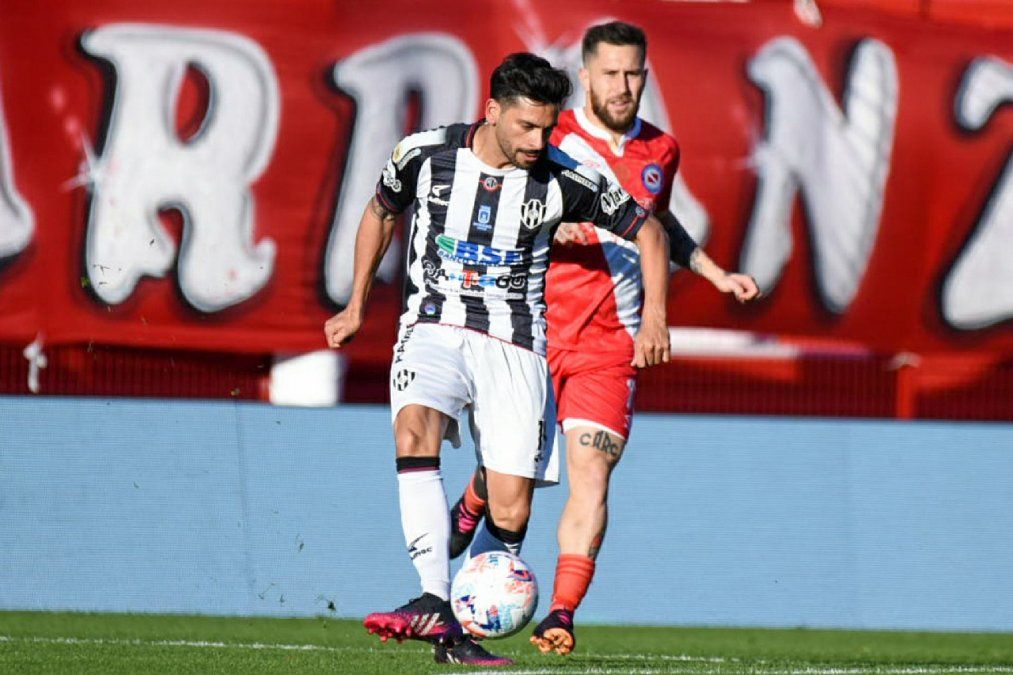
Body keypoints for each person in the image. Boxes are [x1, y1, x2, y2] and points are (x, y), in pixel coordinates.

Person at [324, 51, 676, 667]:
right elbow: (381, 211)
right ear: (492, 111)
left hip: (515, 345)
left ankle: (459, 635)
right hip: (432, 325)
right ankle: (433, 595)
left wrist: (654, 317)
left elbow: (649, 231)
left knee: (511, 504)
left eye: (547, 127)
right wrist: (355, 303)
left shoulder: (563, 179)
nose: (539, 141)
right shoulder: (424, 154)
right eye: (526, 127)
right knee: (414, 427)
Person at [446, 23, 761, 656]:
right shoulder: (549, 138)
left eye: (635, 73)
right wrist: (542, 227)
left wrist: (708, 274)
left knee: (590, 472)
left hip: (610, 346)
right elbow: (489, 198)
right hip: (532, 331)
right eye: (612, 73)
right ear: (585, 77)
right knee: (518, 479)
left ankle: (559, 613)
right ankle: (477, 493)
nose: (624, 86)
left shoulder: (661, 150)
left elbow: (658, 223)